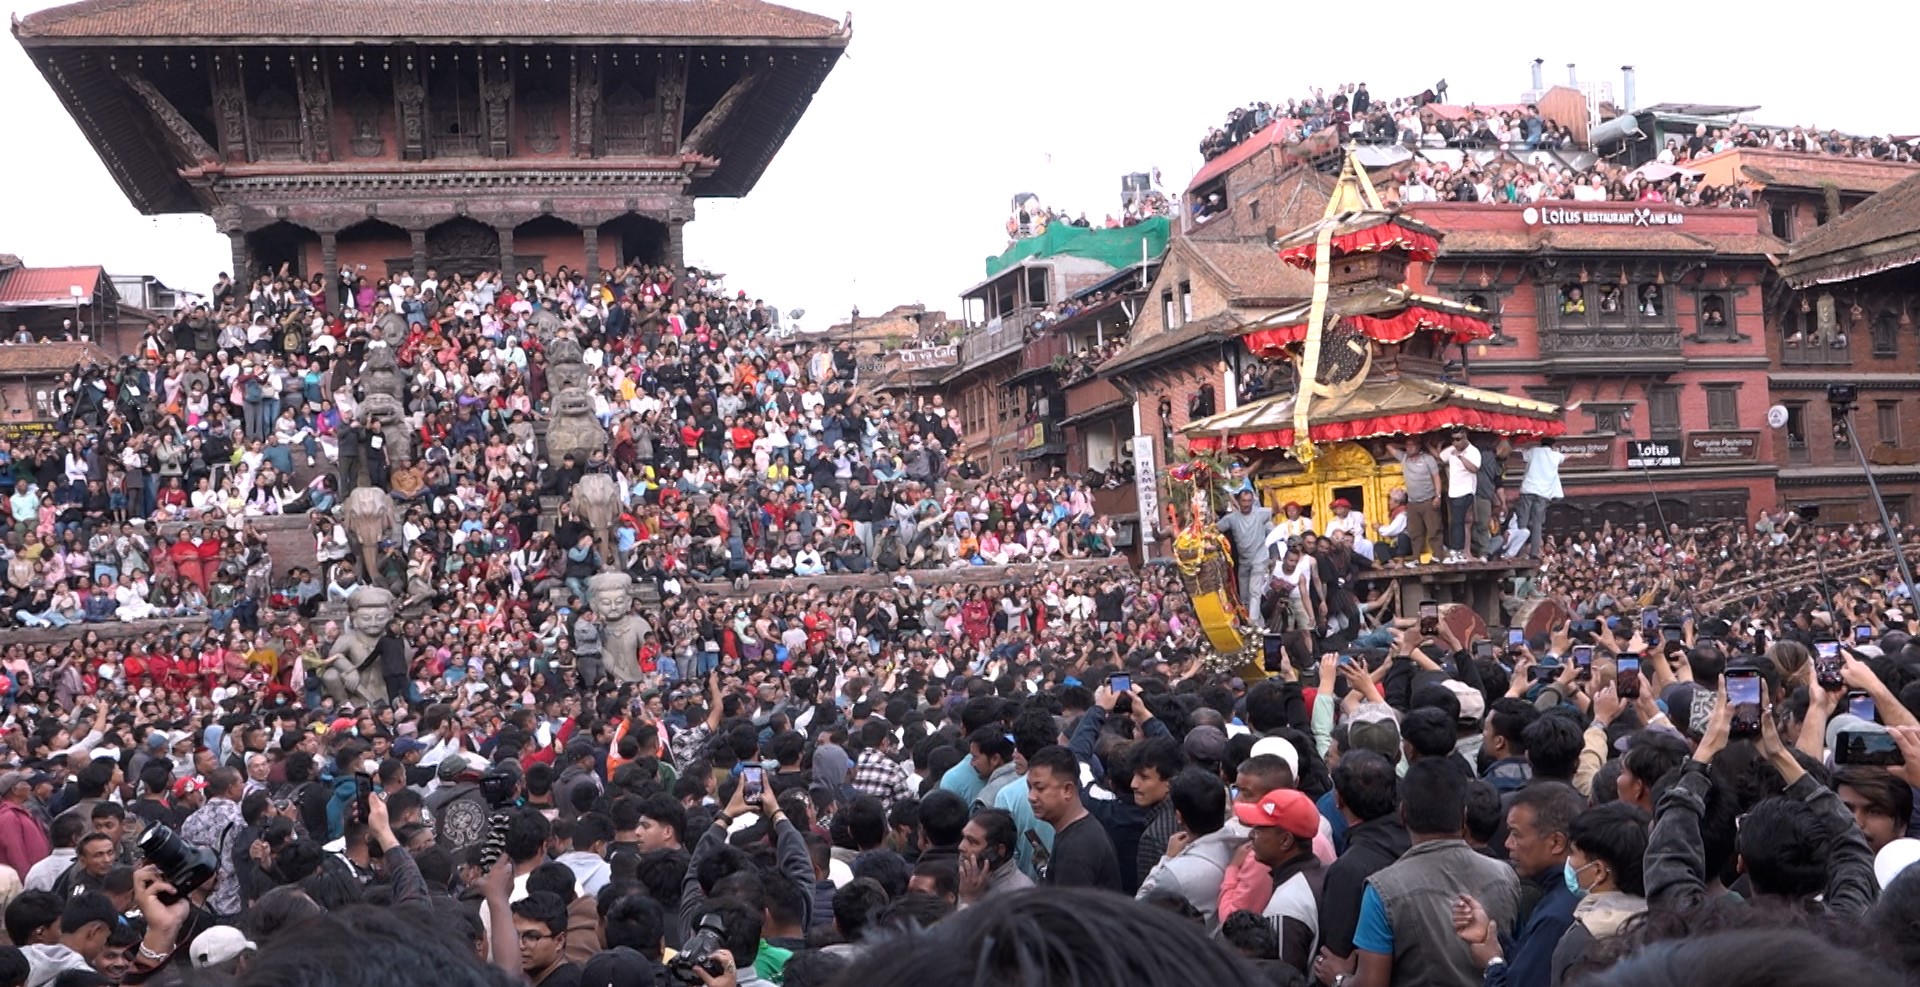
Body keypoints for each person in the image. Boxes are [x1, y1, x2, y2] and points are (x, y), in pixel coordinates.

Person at [1314, 759, 1520, 987]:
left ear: (1403, 815)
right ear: (1463, 817)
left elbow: (1371, 983)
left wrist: (1338, 979)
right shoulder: (1505, 876)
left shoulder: (1382, 890)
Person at [1453, 783, 1586, 987]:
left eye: (1516, 834)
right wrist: (1491, 935)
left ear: (1556, 842)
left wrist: (1492, 963)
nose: (1507, 844)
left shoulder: (1556, 915)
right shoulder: (1566, 893)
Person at [1025, 746, 1120, 892]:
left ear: (1068, 790)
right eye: (1029, 787)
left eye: (1040, 788)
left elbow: (1067, 912)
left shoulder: (1077, 849)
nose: (1031, 797)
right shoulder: (1075, 831)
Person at [1512, 438, 1563, 559]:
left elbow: (1520, 454)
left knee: (1522, 522)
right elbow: (1568, 456)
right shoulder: (1556, 455)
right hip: (1543, 492)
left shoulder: (1534, 451)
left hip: (1529, 488)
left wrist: (1528, 445)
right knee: (1537, 524)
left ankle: (1520, 550)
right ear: (1553, 444)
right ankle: (1534, 552)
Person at [1438, 431, 1482, 564]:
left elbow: (1474, 469)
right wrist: (1441, 446)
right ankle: (1458, 552)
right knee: (1456, 522)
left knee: (1459, 522)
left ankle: (1458, 551)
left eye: (1458, 439)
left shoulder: (1473, 451)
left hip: (1466, 491)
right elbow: (1441, 457)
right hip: (1453, 492)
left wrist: (1461, 457)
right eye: (1453, 440)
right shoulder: (1452, 449)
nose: (1455, 442)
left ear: (1465, 438)